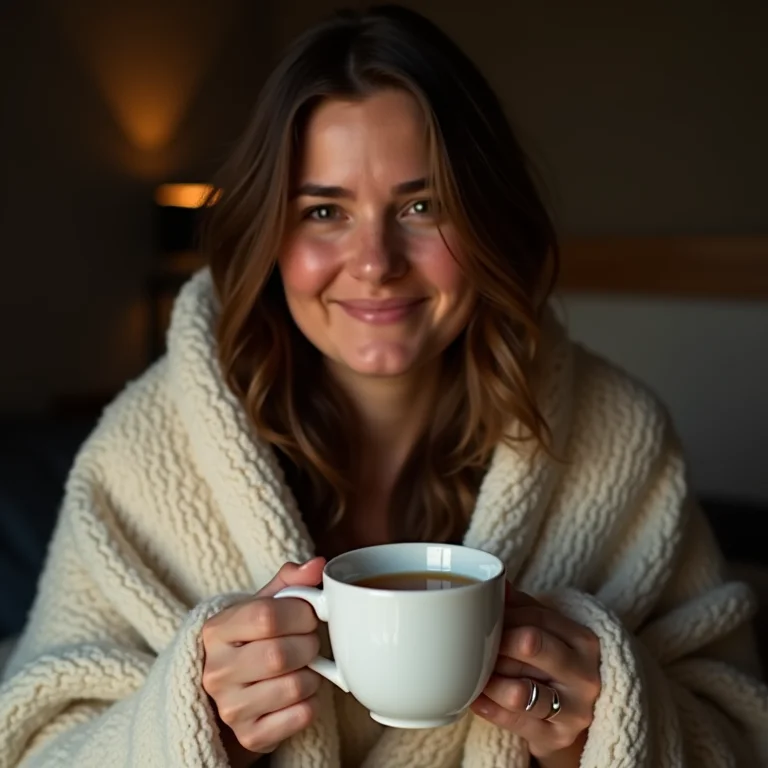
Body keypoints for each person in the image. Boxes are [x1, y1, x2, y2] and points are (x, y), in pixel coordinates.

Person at [1, 4, 766, 767]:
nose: (375, 261)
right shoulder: (148, 448)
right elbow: (32, 742)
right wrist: (187, 729)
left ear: (488, 219)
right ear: (270, 236)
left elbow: (741, 732)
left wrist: (599, 732)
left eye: (421, 206)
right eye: (324, 210)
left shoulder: (619, 437)